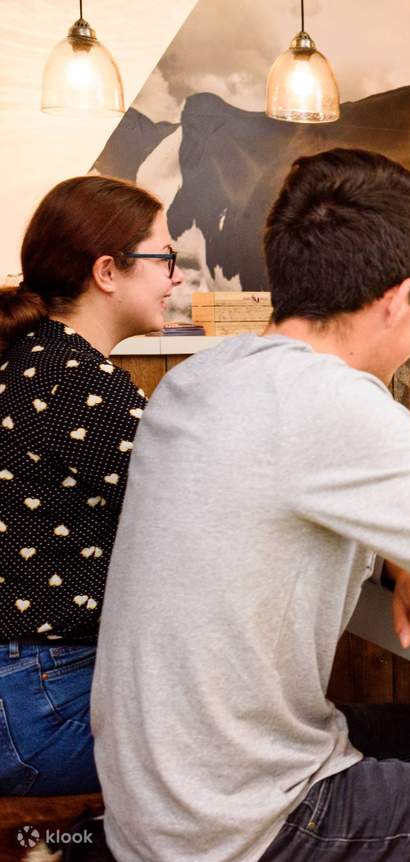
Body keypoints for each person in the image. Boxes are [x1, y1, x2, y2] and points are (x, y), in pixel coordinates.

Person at [91, 149, 410, 861]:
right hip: (245, 825)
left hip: (153, 805)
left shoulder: (198, 380)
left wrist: (407, 555)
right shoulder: (331, 400)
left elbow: (285, 527)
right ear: (398, 300)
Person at [0, 176, 181, 795]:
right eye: (165, 258)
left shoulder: (34, 355)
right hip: (38, 704)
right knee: (256, 749)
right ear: (108, 271)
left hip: (27, 689)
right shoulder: (75, 380)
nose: (175, 278)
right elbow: (199, 508)